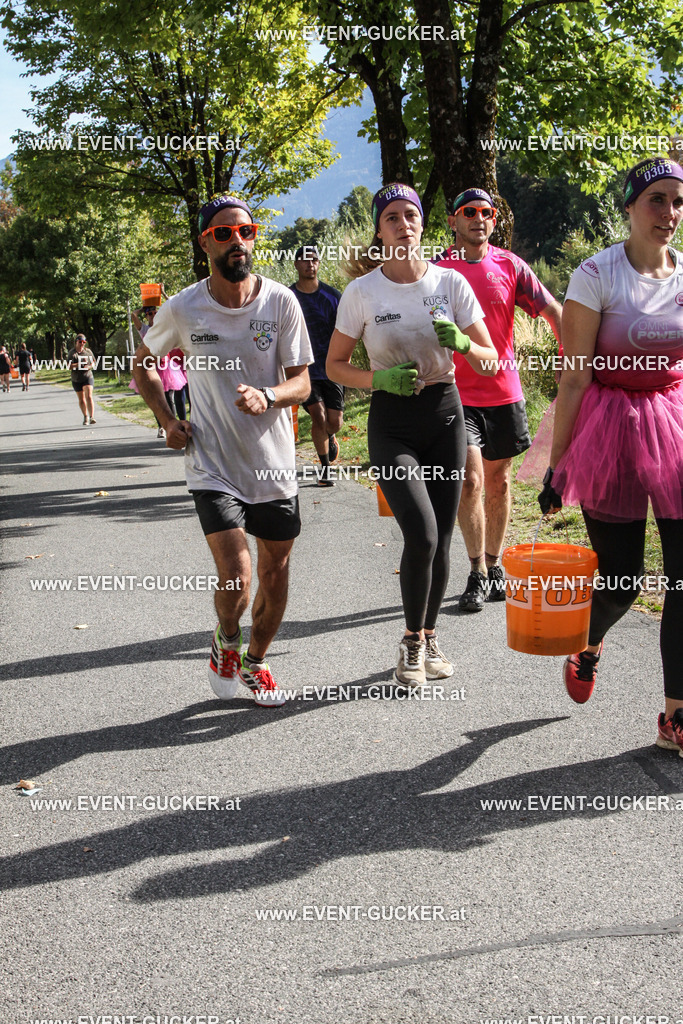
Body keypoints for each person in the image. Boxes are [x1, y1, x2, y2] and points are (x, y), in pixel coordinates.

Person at [132, 195, 312, 707]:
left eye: (246, 232)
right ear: (205, 242)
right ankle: (226, 636)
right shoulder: (184, 307)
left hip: (274, 466)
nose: (238, 241)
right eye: (224, 233)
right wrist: (167, 420)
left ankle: (255, 661)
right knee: (237, 577)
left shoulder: (280, 303)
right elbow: (143, 364)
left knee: (276, 573)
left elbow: (302, 383)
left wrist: (270, 395)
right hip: (211, 464)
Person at [537, 155, 683, 754]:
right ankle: (588, 641)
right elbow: (573, 380)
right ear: (628, 207)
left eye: (679, 202)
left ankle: (675, 715)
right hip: (609, 426)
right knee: (622, 581)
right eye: (658, 201)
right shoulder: (596, 273)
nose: (670, 214)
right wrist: (557, 465)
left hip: (675, 421)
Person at [327, 183, 498, 688]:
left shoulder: (451, 284)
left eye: (411, 215)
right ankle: (408, 642)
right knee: (420, 534)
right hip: (392, 422)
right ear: (379, 231)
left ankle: (429, 634)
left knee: (443, 539)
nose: (404, 223)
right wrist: (378, 379)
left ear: (423, 225)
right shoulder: (362, 293)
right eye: (392, 218)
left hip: (445, 414)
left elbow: (490, 363)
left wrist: (465, 342)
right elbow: (335, 366)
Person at [435, 188, 562, 611]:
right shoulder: (437, 271)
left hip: (503, 392)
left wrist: (573, 360)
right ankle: (476, 572)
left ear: (493, 220)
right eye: (468, 212)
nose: (478, 218)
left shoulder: (510, 266)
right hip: (456, 394)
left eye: (485, 212)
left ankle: (494, 563)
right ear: (454, 221)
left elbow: (553, 311)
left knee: (499, 481)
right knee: (470, 480)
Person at [290, 246, 343, 486]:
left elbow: (346, 332)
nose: (310, 264)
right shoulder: (288, 297)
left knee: (334, 422)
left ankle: (330, 437)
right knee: (319, 417)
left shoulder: (333, 297)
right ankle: (325, 468)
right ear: (296, 265)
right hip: (304, 370)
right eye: (304, 260)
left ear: (319, 264)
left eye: (314, 260)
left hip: (332, 367)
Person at [131, 306, 187, 437]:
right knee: (158, 398)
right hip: (152, 367)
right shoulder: (145, 329)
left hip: (167, 367)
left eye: (155, 312)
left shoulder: (165, 326)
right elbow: (133, 316)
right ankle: (161, 426)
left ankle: (174, 425)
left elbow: (176, 309)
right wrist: (142, 308)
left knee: (170, 398)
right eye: (149, 313)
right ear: (146, 316)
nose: (152, 315)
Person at [66, 334, 97, 424]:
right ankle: (85, 416)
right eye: (80, 342)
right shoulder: (72, 353)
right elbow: (68, 366)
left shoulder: (88, 352)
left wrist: (89, 366)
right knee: (82, 399)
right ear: (76, 342)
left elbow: (94, 362)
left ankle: (92, 417)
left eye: (84, 342)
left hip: (87, 376)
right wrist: (79, 364)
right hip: (76, 378)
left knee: (89, 396)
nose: (82, 344)